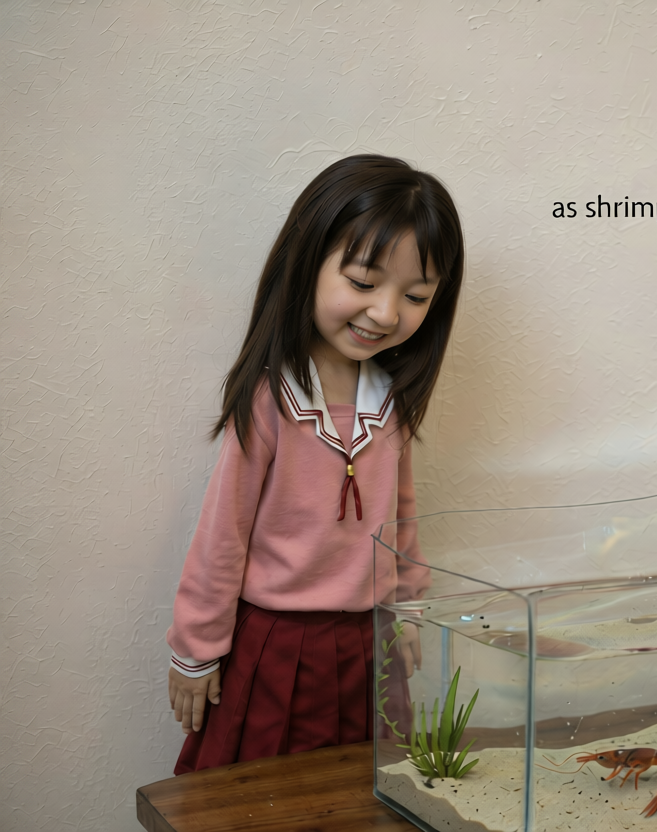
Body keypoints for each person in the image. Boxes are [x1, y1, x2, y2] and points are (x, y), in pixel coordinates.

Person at [166, 155, 464, 774]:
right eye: (363, 282)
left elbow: (402, 519)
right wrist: (196, 649)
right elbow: (223, 534)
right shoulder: (270, 400)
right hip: (276, 647)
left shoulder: (391, 405)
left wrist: (407, 609)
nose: (386, 313)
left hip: (370, 645)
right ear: (307, 264)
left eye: (415, 296)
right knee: (261, 794)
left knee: (368, 786)